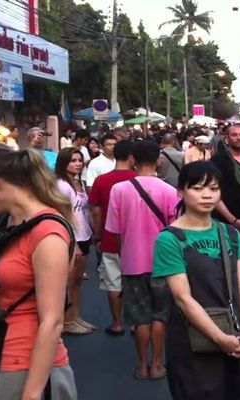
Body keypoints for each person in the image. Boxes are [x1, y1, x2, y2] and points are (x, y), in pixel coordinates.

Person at [0, 143, 77, 399]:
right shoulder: (7, 222)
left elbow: (52, 320)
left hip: (20, 365)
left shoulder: (47, 234)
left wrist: (32, 393)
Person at [153, 162, 240, 399]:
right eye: (198, 188)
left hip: (235, 335)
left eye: (213, 188)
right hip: (193, 342)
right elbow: (182, 298)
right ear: (180, 191)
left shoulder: (230, 233)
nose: (207, 195)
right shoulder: (169, 239)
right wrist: (221, 339)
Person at [106, 140, 180, 381]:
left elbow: (114, 231)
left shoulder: (118, 190)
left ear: (132, 160)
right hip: (163, 263)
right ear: (158, 160)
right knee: (160, 314)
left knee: (140, 317)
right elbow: (175, 230)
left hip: (132, 261)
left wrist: (123, 255)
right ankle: (158, 364)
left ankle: (142, 364)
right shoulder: (170, 191)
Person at [88, 140, 137, 336]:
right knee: (135, 282)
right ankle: (136, 323)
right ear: (132, 157)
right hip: (135, 240)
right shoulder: (138, 179)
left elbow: (96, 211)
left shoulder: (101, 181)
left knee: (113, 282)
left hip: (110, 238)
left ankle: (117, 323)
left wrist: (98, 235)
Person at [55, 148, 96, 335]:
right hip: (73, 238)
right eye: (73, 160)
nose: (78, 163)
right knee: (69, 281)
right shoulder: (61, 185)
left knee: (78, 281)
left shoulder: (78, 182)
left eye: (79, 160)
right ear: (64, 163)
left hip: (85, 235)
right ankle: (67, 320)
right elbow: (63, 214)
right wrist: (74, 242)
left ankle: (75, 316)